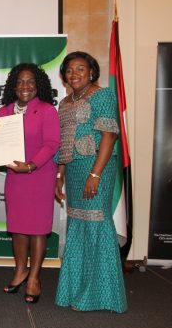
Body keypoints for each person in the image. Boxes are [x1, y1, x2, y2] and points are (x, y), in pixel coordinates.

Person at [54, 51, 127, 313]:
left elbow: (109, 137)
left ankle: (99, 295)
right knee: (78, 225)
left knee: (97, 224)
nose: (74, 74)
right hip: (73, 169)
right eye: (70, 70)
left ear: (92, 72)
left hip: (97, 167)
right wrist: (60, 175)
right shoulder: (64, 103)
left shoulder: (103, 95)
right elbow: (63, 143)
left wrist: (95, 174)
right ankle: (75, 289)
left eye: (80, 69)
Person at [0, 63, 60, 303]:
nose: (25, 87)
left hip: (39, 175)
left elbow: (52, 144)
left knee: (38, 228)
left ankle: (34, 277)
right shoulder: (3, 113)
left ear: (38, 85)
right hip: (15, 177)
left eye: (30, 82)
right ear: (14, 86)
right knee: (18, 227)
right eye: (20, 82)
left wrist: (32, 165)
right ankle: (20, 270)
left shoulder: (47, 110)